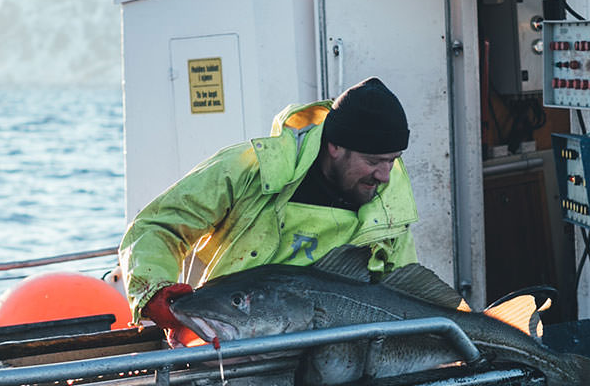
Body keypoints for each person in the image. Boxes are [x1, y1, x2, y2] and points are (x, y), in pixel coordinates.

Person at [119, 77, 418, 340]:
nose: (384, 175)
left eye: (392, 160)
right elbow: (159, 225)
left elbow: (407, 293)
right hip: (226, 340)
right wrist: (154, 287)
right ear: (335, 146)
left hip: (330, 361)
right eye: (373, 161)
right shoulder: (250, 169)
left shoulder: (389, 207)